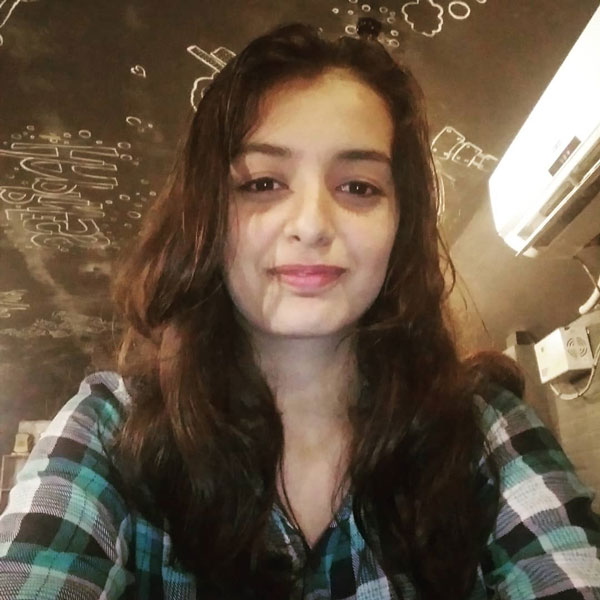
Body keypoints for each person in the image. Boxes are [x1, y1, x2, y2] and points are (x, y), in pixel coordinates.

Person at [1, 21, 599, 600]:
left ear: (401, 223)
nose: (312, 225)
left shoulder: (487, 428)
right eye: (262, 183)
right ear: (207, 216)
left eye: (358, 187)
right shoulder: (107, 431)